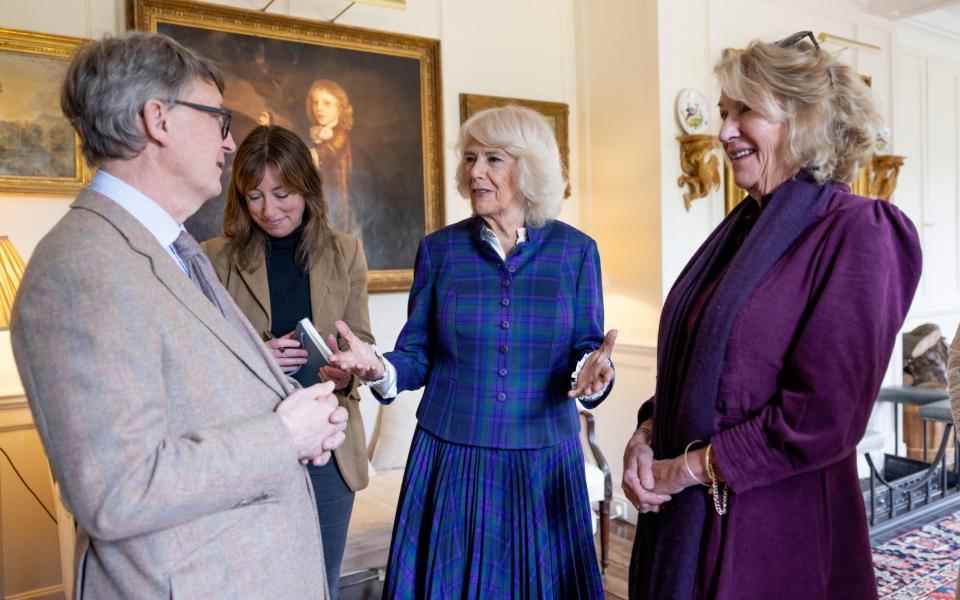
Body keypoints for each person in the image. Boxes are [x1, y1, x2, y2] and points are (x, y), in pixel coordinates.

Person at [10, 33, 348, 599]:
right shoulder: (80, 268)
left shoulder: (175, 248)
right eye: (217, 118)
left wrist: (300, 416)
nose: (228, 141)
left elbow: (201, 398)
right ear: (158, 120)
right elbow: (119, 491)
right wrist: (283, 435)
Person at [623, 31, 922, 600]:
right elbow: (698, 370)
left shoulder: (860, 231)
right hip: (687, 520)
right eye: (723, 113)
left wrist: (681, 469)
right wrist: (645, 435)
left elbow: (822, 417)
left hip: (776, 528)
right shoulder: (738, 230)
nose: (724, 130)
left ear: (804, 118)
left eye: (745, 111)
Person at [327, 105, 617, 599]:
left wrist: (597, 373)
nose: (474, 171)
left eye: (493, 159)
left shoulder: (577, 253)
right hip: (452, 455)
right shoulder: (440, 251)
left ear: (529, 168)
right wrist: (378, 365)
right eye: (470, 158)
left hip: (543, 460)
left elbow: (588, 351)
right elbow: (415, 354)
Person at [203, 124, 375, 599]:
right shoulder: (213, 259)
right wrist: (258, 355)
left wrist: (347, 365)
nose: (269, 210)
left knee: (319, 584)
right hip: (255, 444)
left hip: (331, 446)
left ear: (306, 188)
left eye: (282, 193)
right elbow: (200, 357)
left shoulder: (346, 252)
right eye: (254, 196)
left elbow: (360, 338)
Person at [305, 79, 356, 236]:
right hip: (321, 198)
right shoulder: (316, 134)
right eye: (315, 102)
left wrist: (307, 156)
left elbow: (327, 154)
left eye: (327, 103)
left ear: (340, 109)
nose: (319, 108)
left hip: (337, 201)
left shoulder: (339, 134)